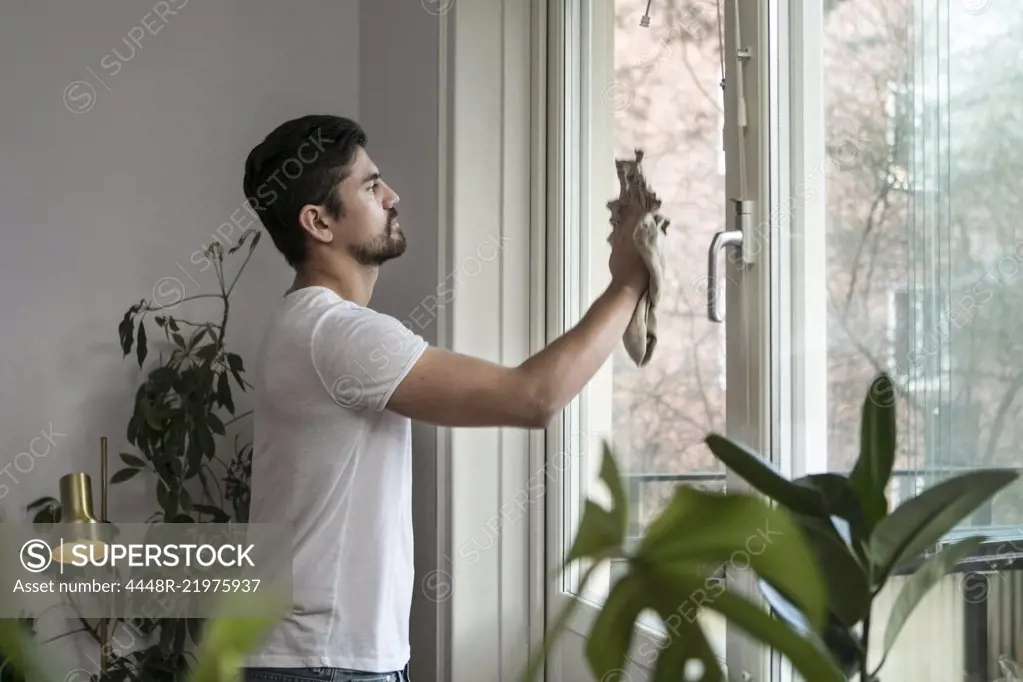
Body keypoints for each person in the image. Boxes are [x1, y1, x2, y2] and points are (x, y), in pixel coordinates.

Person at [239, 115, 650, 682]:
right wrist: (628, 282)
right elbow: (533, 398)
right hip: (323, 664)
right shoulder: (337, 335)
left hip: (323, 658)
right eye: (369, 186)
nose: (392, 196)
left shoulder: (307, 324)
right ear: (318, 222)